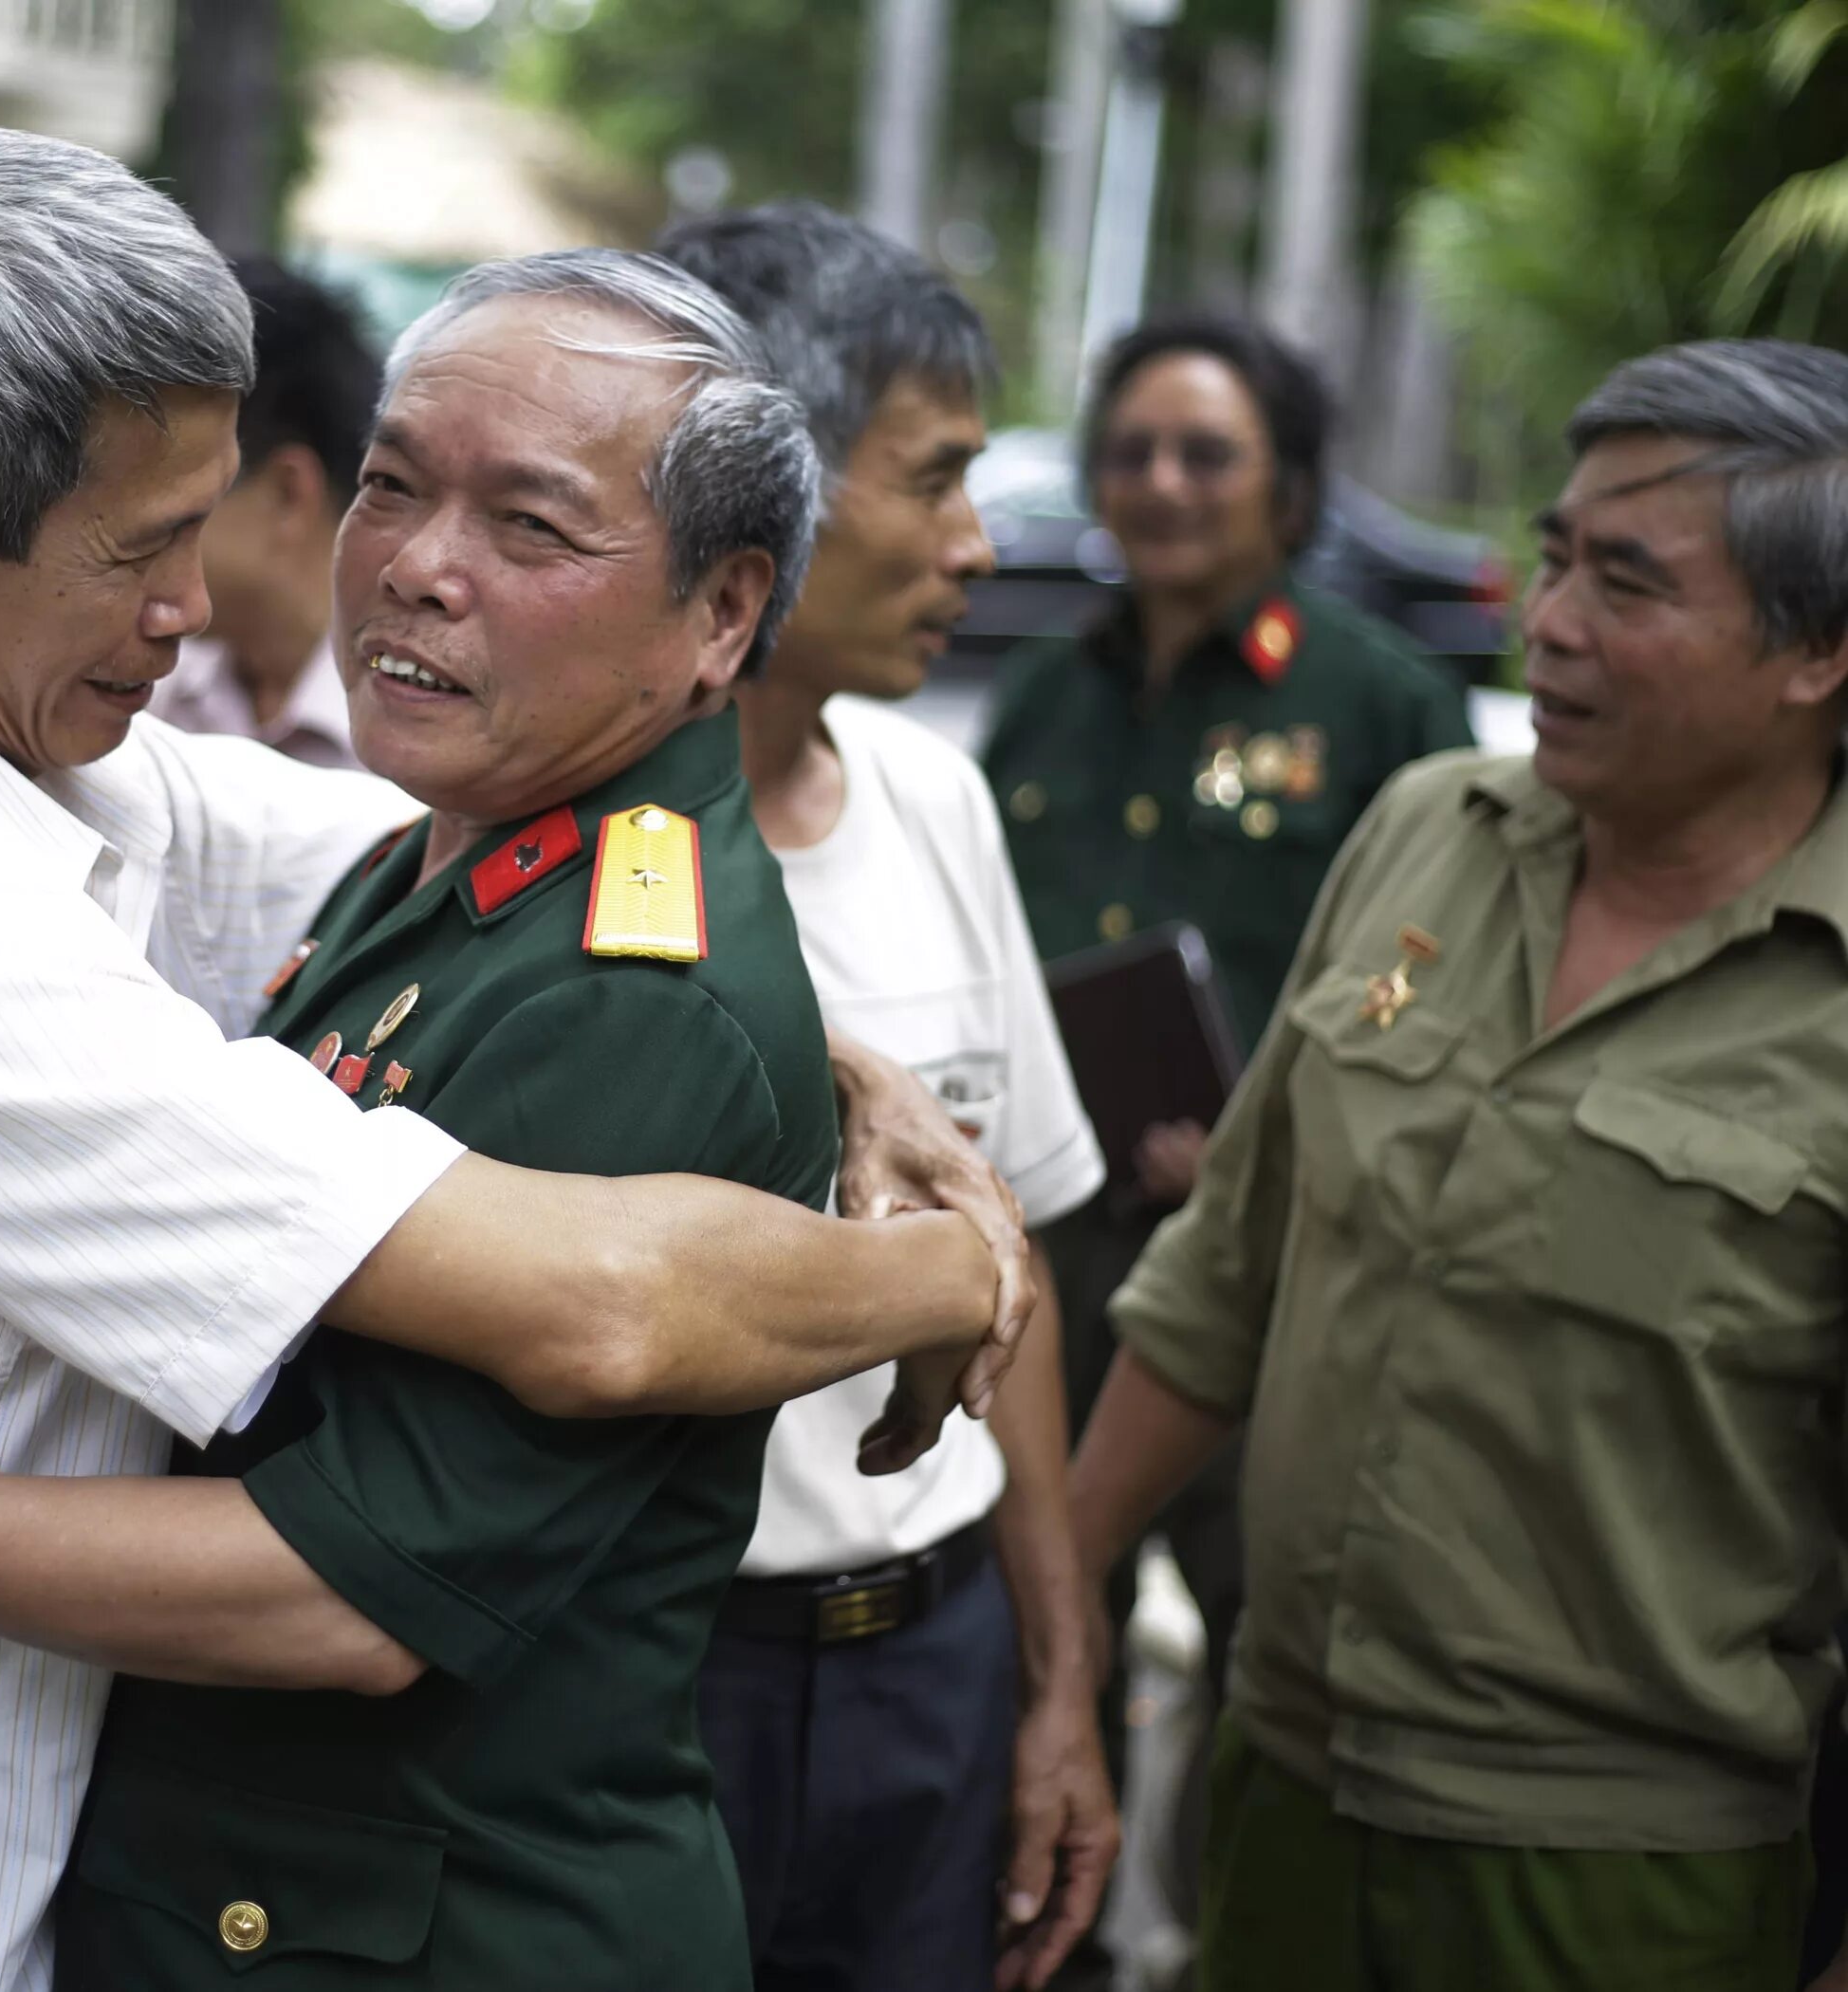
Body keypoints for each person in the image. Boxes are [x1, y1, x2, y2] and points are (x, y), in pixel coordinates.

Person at [0, 128, 1025, 1992]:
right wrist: (947, 1267)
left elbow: (356, 853)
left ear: (723, 609)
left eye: (527, 523)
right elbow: (595, 1311)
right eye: (138, 552)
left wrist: (831, 1046)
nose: (199, 610)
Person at [1066, 337, 1848, 1992]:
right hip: (1274, 1796)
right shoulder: (1430, 825)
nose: (1548, 624)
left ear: (1818, 651)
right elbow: (1224, 1279)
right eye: (1555, 557)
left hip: (1620, 1885)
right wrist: (1045, 1637)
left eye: (1626, 584)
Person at [663, 201, 1118, 1992]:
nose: (973, 541)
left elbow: (1026, 1272)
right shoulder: (554, 854)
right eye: (928, 480)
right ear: (760, 487)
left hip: (930, 1666)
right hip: (662, 1676)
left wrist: (1060, 1682)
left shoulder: (938, 804)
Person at [979, 319, 1473, 1827]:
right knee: (1042, 1639)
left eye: (1208, 454)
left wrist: (1275, 1123)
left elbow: (1438, 955)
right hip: (1061, 1255)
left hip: (1275, 1266)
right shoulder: (1047, 701)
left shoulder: (1376, 700)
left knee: (1277, 1663)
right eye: (1129, 452)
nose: (1162, 484)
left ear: (1291, 488)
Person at [144, 256, 376, 769]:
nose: (121, 531)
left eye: (166, 505)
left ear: (289, 495)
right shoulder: (144, 704)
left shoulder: (415, 758)